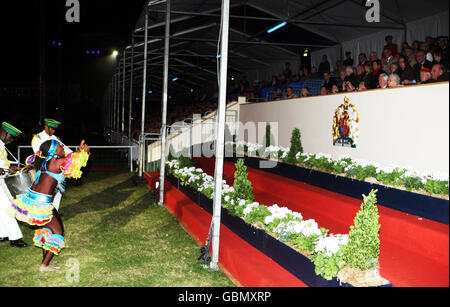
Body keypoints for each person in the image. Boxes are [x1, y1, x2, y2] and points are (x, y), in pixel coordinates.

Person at [8, 139, 90, 272]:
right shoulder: (56, 162)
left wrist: (79, 152)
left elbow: (71, 158)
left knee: (49, 229)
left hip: (34, 200)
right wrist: (84, 152)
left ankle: (45, 261)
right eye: (59, 145)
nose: (62, 146)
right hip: (41, 204)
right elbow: (75, 161)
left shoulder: (45, 160)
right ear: (53, 151)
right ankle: (45, 265)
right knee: (58, 232)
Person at [31, 119, 73, 212]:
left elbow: (65, 149)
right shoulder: (38, 138)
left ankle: (54, 212)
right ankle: (42, 214)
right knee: (44, 194)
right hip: (44, 170)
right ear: (46, 127)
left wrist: (74, 155)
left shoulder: (55, 138)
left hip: (56, 170)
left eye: (55, 129)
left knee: (58, 192)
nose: (54, 131)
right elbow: (41, 155)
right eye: (52, 129)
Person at [0, 122, 28, 248]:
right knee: (8, 208)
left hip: (3, 180)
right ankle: (15, 238)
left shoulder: (2, 146)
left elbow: (3, 164)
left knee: (3, 209)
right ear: (5, 133)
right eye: (10, 137)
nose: (11, 141)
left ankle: (3, 234)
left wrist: (12, 168)